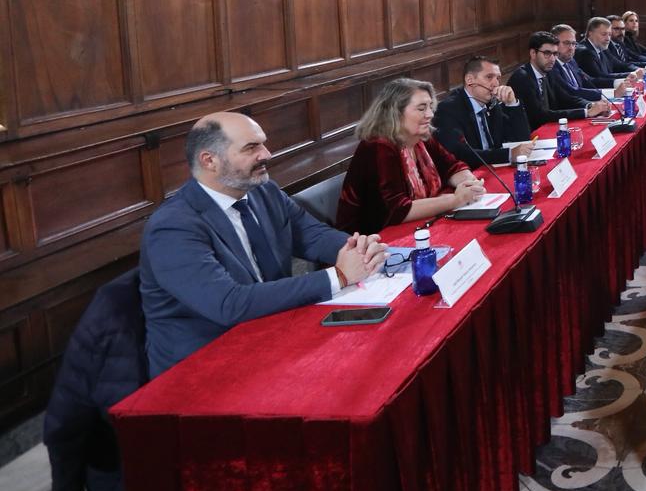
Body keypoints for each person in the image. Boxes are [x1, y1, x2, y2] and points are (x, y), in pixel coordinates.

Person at [139, 113, 386, 377]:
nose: (267, 154)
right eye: (251, 147)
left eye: (263, 144)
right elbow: (229, 303)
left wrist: (359, 250)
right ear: (209, 160)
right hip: (205, 366)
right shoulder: (172, 227)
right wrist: (339, 276)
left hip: (271, 330)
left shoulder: (263, 192)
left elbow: (312, 236)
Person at [336, 79, 486, 234]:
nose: (430, 114)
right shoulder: (378, 146)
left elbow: (452, 167)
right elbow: (397, 209)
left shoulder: (422, 136)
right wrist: (455, 200)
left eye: (430, 107)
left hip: (420, 226)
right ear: (396, 113)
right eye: (421, 109)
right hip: (372, 239)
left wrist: (470, 184)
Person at [430, 58, 534, 167]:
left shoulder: (492, 104)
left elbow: (521, 139)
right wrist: (508, 154)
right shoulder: (448, 109)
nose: (496, 84)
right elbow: (461, 154)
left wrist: (512, 103)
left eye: (498, 78)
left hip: (492, 170)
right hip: (471, 176)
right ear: (470, 80)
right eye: (489, 77)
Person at [508, 30, 609, 125]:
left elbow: (565, 98)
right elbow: (540, 115)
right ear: (533, 53)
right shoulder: (522, 78)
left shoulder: (549, 71)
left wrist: (590, 105)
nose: (552, 59)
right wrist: (586, 113)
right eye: (547, 53)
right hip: (530, 135)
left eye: (555, 54)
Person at [546, 24, 619, 108]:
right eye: (566, 43)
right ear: (553, 45)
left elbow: (590, 81)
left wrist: (618, 84)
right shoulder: (551, 67)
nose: (571, 48)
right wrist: (613, 93)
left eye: (573, 43)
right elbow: (572, 92)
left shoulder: (571, 61)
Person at [576, 16, 641, 80]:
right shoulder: (585, 52)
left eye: (609, 34)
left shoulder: (602, 47)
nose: (608, 39)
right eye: (604, 34)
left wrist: (637, 71)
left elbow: (619, 65)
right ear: (590, 33)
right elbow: (599, 77)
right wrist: (630, 75)